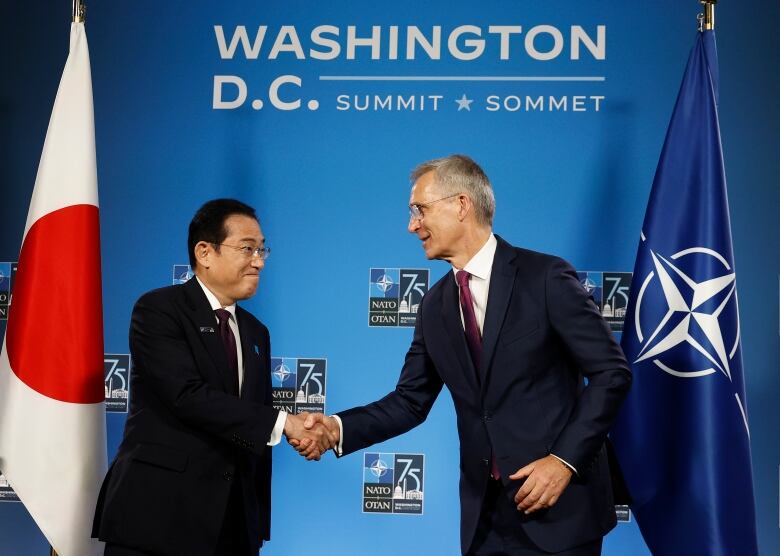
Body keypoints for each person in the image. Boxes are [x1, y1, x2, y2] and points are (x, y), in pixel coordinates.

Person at [297, 156, 632, 555]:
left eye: (419, 210)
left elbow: (612, 372)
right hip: (484, 521)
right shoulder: (434, 306)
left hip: (557, 511)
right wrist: (337, 429)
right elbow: (409, 401)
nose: (412, 225)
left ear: (460, 204)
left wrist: (563, 461)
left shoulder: (545, 278)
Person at [93, 199, 335, 556]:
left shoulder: (255, 332)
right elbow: (186, 396)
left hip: (232, 526)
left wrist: (257, 522)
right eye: (247, 248)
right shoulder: (159, 309)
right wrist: (287, 423)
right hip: (157, 519)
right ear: (205, 252)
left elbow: (252, 423)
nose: (259, 260)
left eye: (262, 249)